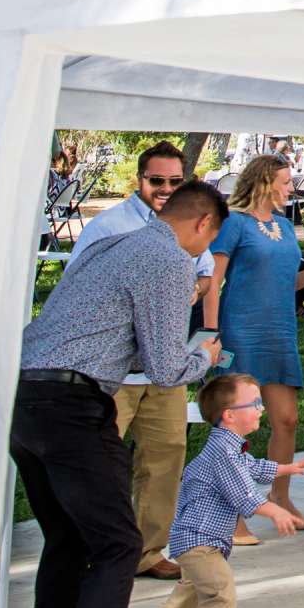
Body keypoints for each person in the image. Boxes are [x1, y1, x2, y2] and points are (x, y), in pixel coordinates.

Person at [11, 178, 227, 608]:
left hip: (24, 396)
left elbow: (93, 328)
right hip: (73, 406)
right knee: (117, 545)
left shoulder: (108, 244)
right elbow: (167, 368)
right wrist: (206, 357)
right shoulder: (172, 259)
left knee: (67, 538)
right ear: (203, 222)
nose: (202, 252)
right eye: (207, 243)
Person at [67, 141, 218, 581]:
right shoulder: (108, 227)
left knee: (165, 459)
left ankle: (148, 552)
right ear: (139, 180)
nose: (166, 189)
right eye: (157, 181)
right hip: (113, 370)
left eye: (175, 181)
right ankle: (95, 551)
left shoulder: (190, 223)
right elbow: (79, 288)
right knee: (101, 464)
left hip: (167, 363)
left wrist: (195, 288)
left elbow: (206, 270)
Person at [141, 374, 304, 608]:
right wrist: (277, 513)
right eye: (255, 403)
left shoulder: (230, 447)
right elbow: (244, 495)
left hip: (199, 539)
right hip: (200, 542)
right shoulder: (224, 452)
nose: (262, 408)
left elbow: (253, 468)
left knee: (191, 588)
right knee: (220, 597)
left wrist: (287, 468)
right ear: (230, 415)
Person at [206, 154, 304, 537]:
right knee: (237, 426)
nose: (291, 188)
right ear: (264, 182)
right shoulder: (233, 224)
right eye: (286, 181)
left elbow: (283, 281)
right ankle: (233, 513)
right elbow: (213, 281)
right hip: (241, 331)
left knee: (286, 419)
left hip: (280, 332)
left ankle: (280, 498)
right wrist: (211, 331)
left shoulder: (284, 227)